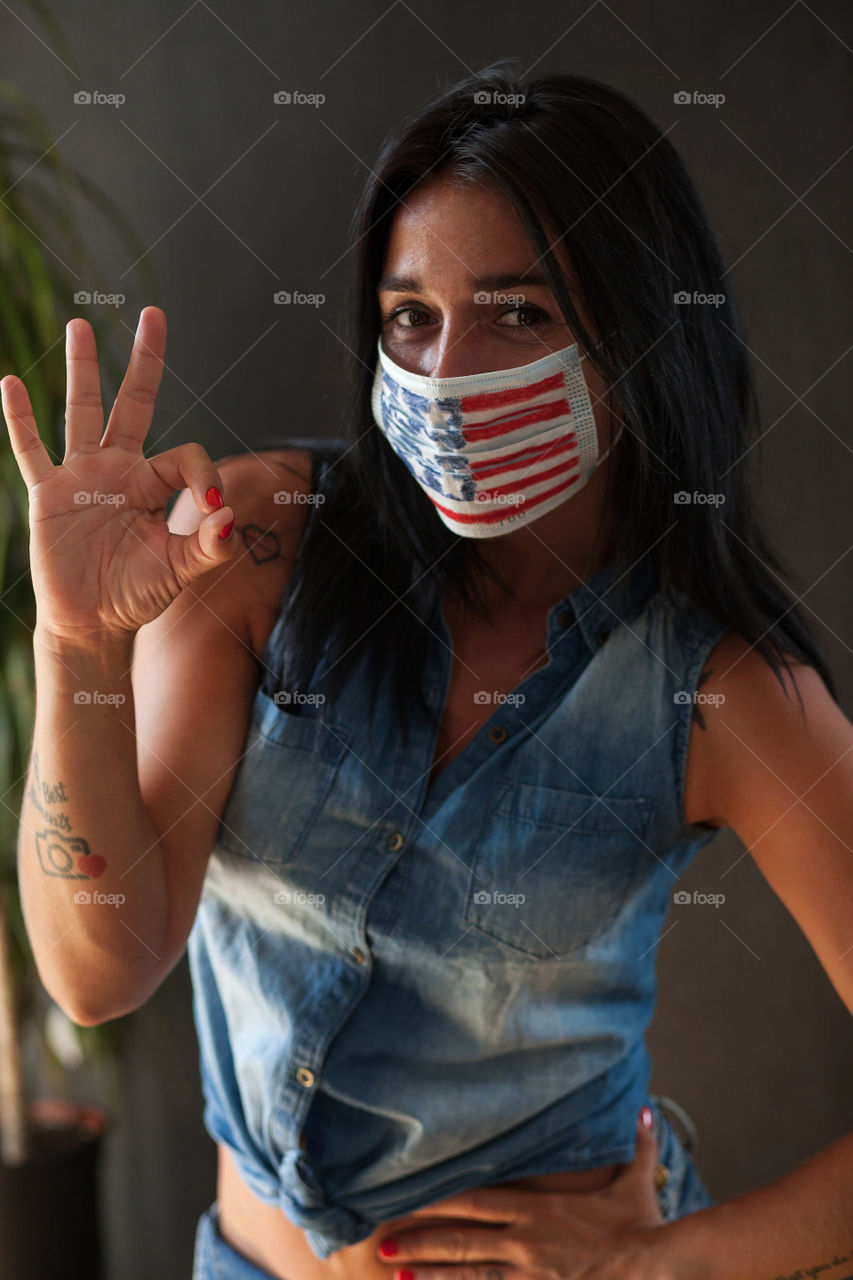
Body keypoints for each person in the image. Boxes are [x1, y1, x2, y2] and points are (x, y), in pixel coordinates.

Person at [5, 61, 853, 1280]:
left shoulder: (720, 689)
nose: (448, 372)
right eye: (411, 315)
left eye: (518, 312)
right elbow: (99, 970)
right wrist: (78, 644)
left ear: (638, 331)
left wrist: (666, 1261)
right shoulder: (250, 547)